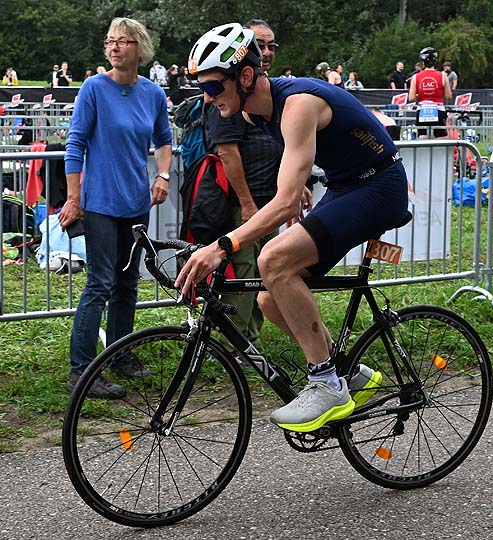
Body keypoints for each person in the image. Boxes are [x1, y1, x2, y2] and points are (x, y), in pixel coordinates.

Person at [178, 23, 409, 432]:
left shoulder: (298, 103)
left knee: (273, 258)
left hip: (380, 187)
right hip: (346, 184)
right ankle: (348, 373)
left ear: (244, 76)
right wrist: (297, 179)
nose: (207, 98)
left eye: (213, 87)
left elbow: (284, 201)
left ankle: (326, 383)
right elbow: (293, 152)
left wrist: (222, 246)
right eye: (202, 88)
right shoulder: (252, 109)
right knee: (270, 299)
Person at [59, 17, 172, 398]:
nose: (114, 47)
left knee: (127, 284)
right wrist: (74, 198)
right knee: (100, 283)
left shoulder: (152, 93)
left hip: (136, 201)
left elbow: (164, 139)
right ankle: (82, 371)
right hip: (101, 203)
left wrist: (163, 175)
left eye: (123, 41)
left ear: (140, 48)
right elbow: (75, 144)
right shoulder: (94, 88)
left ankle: (121, 355)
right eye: (110, 41)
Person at [205, 19, 284, 351]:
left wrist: (296, 186)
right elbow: (228, 152)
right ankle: (237, 346)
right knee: (245, 272)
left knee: (268, 270)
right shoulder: (230, 92)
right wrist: (248, 203)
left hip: (271, 202)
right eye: (259, 45)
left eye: (271, 45)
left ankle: (252, 341)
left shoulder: (268, 93)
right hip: (244, 204)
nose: (266, 51)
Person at [408, 47, 452, 139]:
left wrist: (419, 95)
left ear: (423, 62)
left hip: (422, 110)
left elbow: (411, 98)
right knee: (441, 137)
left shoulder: (415, 77)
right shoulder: (443, 76)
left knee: (423, 137)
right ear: (435, 61)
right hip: (438, 109)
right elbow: (448, 96)